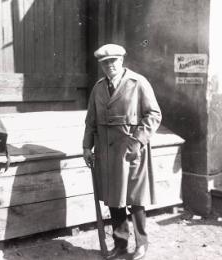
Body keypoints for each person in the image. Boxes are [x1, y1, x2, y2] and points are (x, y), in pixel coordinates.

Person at [83, 44, 162, 260]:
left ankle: (141, 244)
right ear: (101, 66)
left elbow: (154, 115)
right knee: (113, 198)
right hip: (106, 151)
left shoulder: (138, 83)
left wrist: (137, 141)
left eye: (113, 61)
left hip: (131, 149)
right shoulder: (98, 88)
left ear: (122, 60)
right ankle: (120, 245)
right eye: (105, 63)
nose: (110, 66)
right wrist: (86, 147)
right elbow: (90, 121)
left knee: (135, 198)